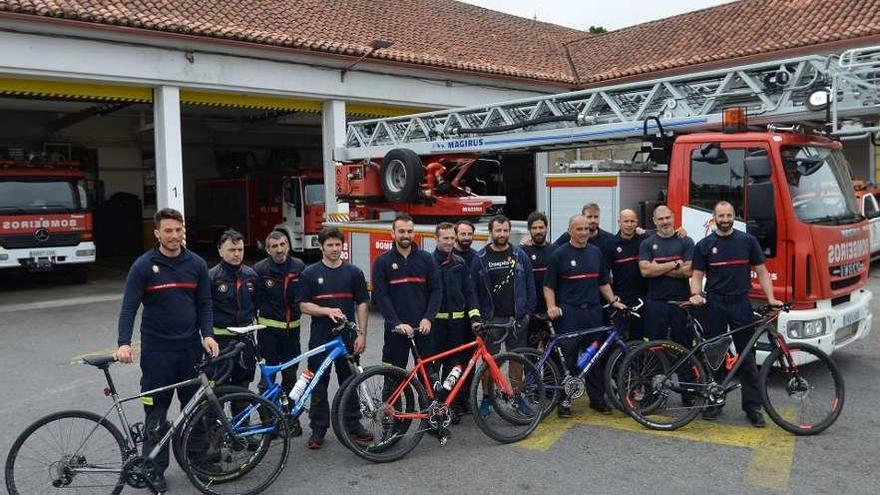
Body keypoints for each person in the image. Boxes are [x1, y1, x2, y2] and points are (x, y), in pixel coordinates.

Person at [114, 208, 219, 492]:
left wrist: (207, 335)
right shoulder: (144, 266)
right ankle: (155, 470)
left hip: (189, 352)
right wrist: (123, 342)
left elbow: (205, 304)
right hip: (157, 353)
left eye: (179, 230)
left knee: (193, 411)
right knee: (156, 413)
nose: (174, 235)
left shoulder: (196, 264)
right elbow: (129, 307)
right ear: (157, 233)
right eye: (168, 231)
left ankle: (198, 462)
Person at [689, 201, 783, 427]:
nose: (725, 219)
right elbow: (697, 274)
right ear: (714, 218)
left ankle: (753, 408)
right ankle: (715, 401)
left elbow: (762, 271)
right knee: (715, 355)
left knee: (747, 356)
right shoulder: (704, 245)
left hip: (741, 304)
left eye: (729, 215)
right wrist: (695, 293)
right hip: (714, 305)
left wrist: (771, 299)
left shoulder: (748, 241)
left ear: (734, 216)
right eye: (721, 215)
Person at [544, 214, 627, 418]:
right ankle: (565, 401)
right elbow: (548, 286)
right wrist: (551, 306)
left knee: (594, 357)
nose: (583, 233)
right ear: (570, 230)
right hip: (569, 313)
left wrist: (613, 301)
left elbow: (603, 282)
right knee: (569, 359)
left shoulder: (595, 253)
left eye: (586, 229)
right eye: (579, 229)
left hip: (593, 312)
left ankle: (597, 400)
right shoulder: (559, 254)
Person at [298, 227, 372, 449]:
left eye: (337, 245)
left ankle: (353, 424)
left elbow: (362, 304)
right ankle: (318, 429)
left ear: (342, 246)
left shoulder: (354, 273)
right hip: (321, 339)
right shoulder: (309, 274)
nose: (334, 249)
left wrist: (362, 334)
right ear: (321, 246)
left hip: (348, 338)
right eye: (329, 245)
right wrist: (326, 311)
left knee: (350, 382)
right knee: (318, 384)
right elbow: (303, 305)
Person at [471, 214, 536, 417]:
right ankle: (487, 399)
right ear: (491, 232)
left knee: (517, 360)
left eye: (505, 230)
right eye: (498, 230)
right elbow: (472, 291)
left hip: (516, 319)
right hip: (491, 320)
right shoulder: (480, 259)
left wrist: (527, 314)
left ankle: (516, 398)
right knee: (490, 363)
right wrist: (478, 319)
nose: (502, 234)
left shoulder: (519, 255)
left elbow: (530, 285)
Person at [372, 213, 442, 370]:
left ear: (414, 233)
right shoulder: (382, 262)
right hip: (396, 331)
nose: (406, 235)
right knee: (393, 377)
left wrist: (428, 318)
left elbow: (436, 291)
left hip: (423, 329)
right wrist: (396, 323)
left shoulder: (426, 259)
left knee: (428, 377)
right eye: (401, 231)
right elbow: (381, 297)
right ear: (393, 233)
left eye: (409, 231)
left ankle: (426, 396)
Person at [254, 230, 306, 436]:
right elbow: (255, 299)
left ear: (288, 245)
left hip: (292, 331)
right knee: (268, 379)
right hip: (269, 333)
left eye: (283, 244)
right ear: (268, 249)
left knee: (291, 378)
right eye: (274, 246)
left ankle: (290, 419)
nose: (279, 249)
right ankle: (269, 422)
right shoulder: (260, 269)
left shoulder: (299, 266)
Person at [432, 222, 480, 421]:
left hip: (457, 327)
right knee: (433, 370)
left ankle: (450, 404)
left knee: (454, 368)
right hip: (436, 327)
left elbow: (469, 293)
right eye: (446, 238)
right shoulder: (429, 262)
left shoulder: (460, 263)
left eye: (452, 238)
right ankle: (433, 406)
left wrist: (475, 318)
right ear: (436, 239)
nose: (450, 242)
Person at [209, 229, 259, 393]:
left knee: (242, 389)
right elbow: (204, 309)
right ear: (220, 251)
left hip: (245, 342)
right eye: (232, 250)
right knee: (218, 388)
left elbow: (257, 304)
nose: (237, 254)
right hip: (220, 343)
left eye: (240, 250)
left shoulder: (251, 275)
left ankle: (241, 419)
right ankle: (215, 420)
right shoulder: (212, 277)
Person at [638, 205, 695, 346]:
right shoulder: (647, 243)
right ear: (654, 221)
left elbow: (689, 271)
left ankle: (683, 369)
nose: (665, 222)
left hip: (681, 303)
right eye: (660, 219)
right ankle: (658, 369)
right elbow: (645, 271)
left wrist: (657, 268)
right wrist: (674, 264)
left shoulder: (686, 241)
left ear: (673, 217)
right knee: (655, 346)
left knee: (683, 345)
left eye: (667, 218)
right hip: (656, 303)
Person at [611, 209, 648, 340]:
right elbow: (604, 274)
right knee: (618, 339)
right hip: (621, 300)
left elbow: (662, 233)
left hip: (641, 300)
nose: (629, 224)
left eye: (632, 221)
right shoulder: (611, 244)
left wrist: (680, 232)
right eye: (626, 221)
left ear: (637, 223)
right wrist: (611, 297)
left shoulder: (644, 240)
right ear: (619, 223)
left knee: (638, 339)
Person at [520, 211, 557, 345]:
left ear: (546, 228)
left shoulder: (555, 250)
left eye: (541, 227)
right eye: (534, 228)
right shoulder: (522, 251)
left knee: (554, 354)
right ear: (529, 230)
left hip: (551, 310)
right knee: (530, 355)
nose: (538, 231)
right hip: (531, 312)